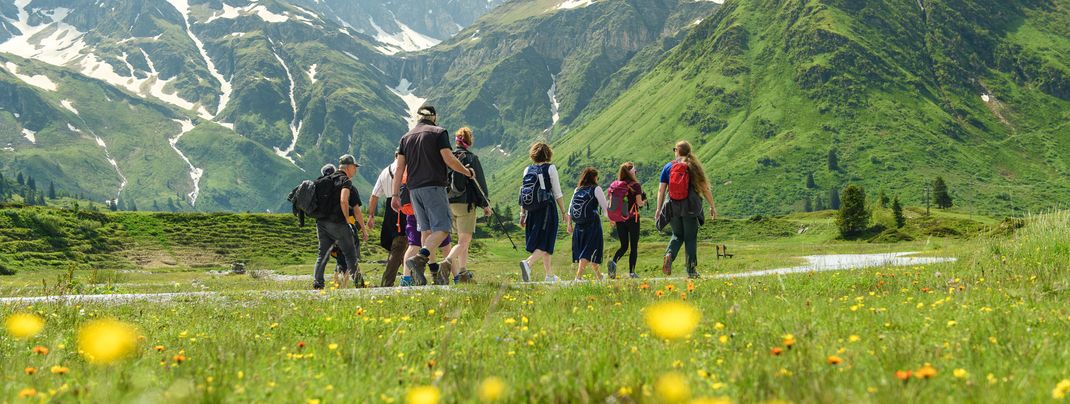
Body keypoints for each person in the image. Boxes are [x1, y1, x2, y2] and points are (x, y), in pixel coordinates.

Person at [390, 105, 474, 286]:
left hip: (414, 190)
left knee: (426, 230)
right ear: (434, 117)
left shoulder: (405, 138)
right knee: (443, 228)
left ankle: (423, 273)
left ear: (418, 118)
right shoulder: (439, 132)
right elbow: (449, 159)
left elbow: (399, 168)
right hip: (434, 186)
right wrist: (466, 172)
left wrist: (395, 194)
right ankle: (421, 257)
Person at [654, 141, 718, 278]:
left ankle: (669, 255)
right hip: (690, 206)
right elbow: (705, 188)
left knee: (677, 235)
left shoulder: (668, 167)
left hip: (672, 206)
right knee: (690, 238)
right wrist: (712, 206)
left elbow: (661, 190)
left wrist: (659, 209)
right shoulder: (692, 166)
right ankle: (691, 270)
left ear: (677, 151)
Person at [312, 155, 368, 289]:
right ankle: (359, 283)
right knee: (350, 254)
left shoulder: (325, 180)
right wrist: (355, 225)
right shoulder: (345, 181)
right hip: (338, 223)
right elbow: (347, 203)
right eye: (355, 167)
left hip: (321, 223)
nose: (355, 170)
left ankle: (318, 283)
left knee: (323, 254)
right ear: (348, 167)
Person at [443, 127, 490, 284]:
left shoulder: (448, 158)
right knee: (464, 241)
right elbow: (479, 183)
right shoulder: (471, 158)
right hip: (466, 204)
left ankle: (462, 273)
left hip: (449, 203)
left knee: (461, 242)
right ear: (468, 142)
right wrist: (485, 204)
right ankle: (447, 262)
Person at [518, 142, 565, 283]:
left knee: (543, 241)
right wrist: (563, 211)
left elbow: (524, 194)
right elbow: (557, 192)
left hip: (532, 210)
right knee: (546, 241)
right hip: (547, 210)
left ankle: (550, 275)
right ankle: (528, 263)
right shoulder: (550, 168)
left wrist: (522, 214)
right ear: (548, 154)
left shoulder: (527, 170)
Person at [366, 151, 407, 287]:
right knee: (401, 244)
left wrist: (371, 216)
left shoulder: (385, 171)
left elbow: (374, 195)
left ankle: (410, 276)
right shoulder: (405, 168)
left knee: (399, 245)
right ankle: (388, 282)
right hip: (403, 206)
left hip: (389, 210)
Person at [567, 167, 610, 281]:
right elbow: (605, 208)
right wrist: (611, 219)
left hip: (579, 225)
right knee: (589, 250)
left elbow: (570, 209)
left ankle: (599, 276)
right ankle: (578, 277)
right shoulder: (596, 189)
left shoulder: (577, 189)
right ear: (594, 177)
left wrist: (569, 224)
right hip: (592, 224)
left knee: (589, 250)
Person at [607, 162, 646, 279]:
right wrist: (644, 201)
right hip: (633, 218)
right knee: (633, 246)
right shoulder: (636, 185)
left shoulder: (616, 185)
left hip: (620, 219)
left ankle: (613, 262)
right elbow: (639, 203)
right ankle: (632, 272)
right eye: (635, 171)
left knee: (624, 245)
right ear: (632, 172)